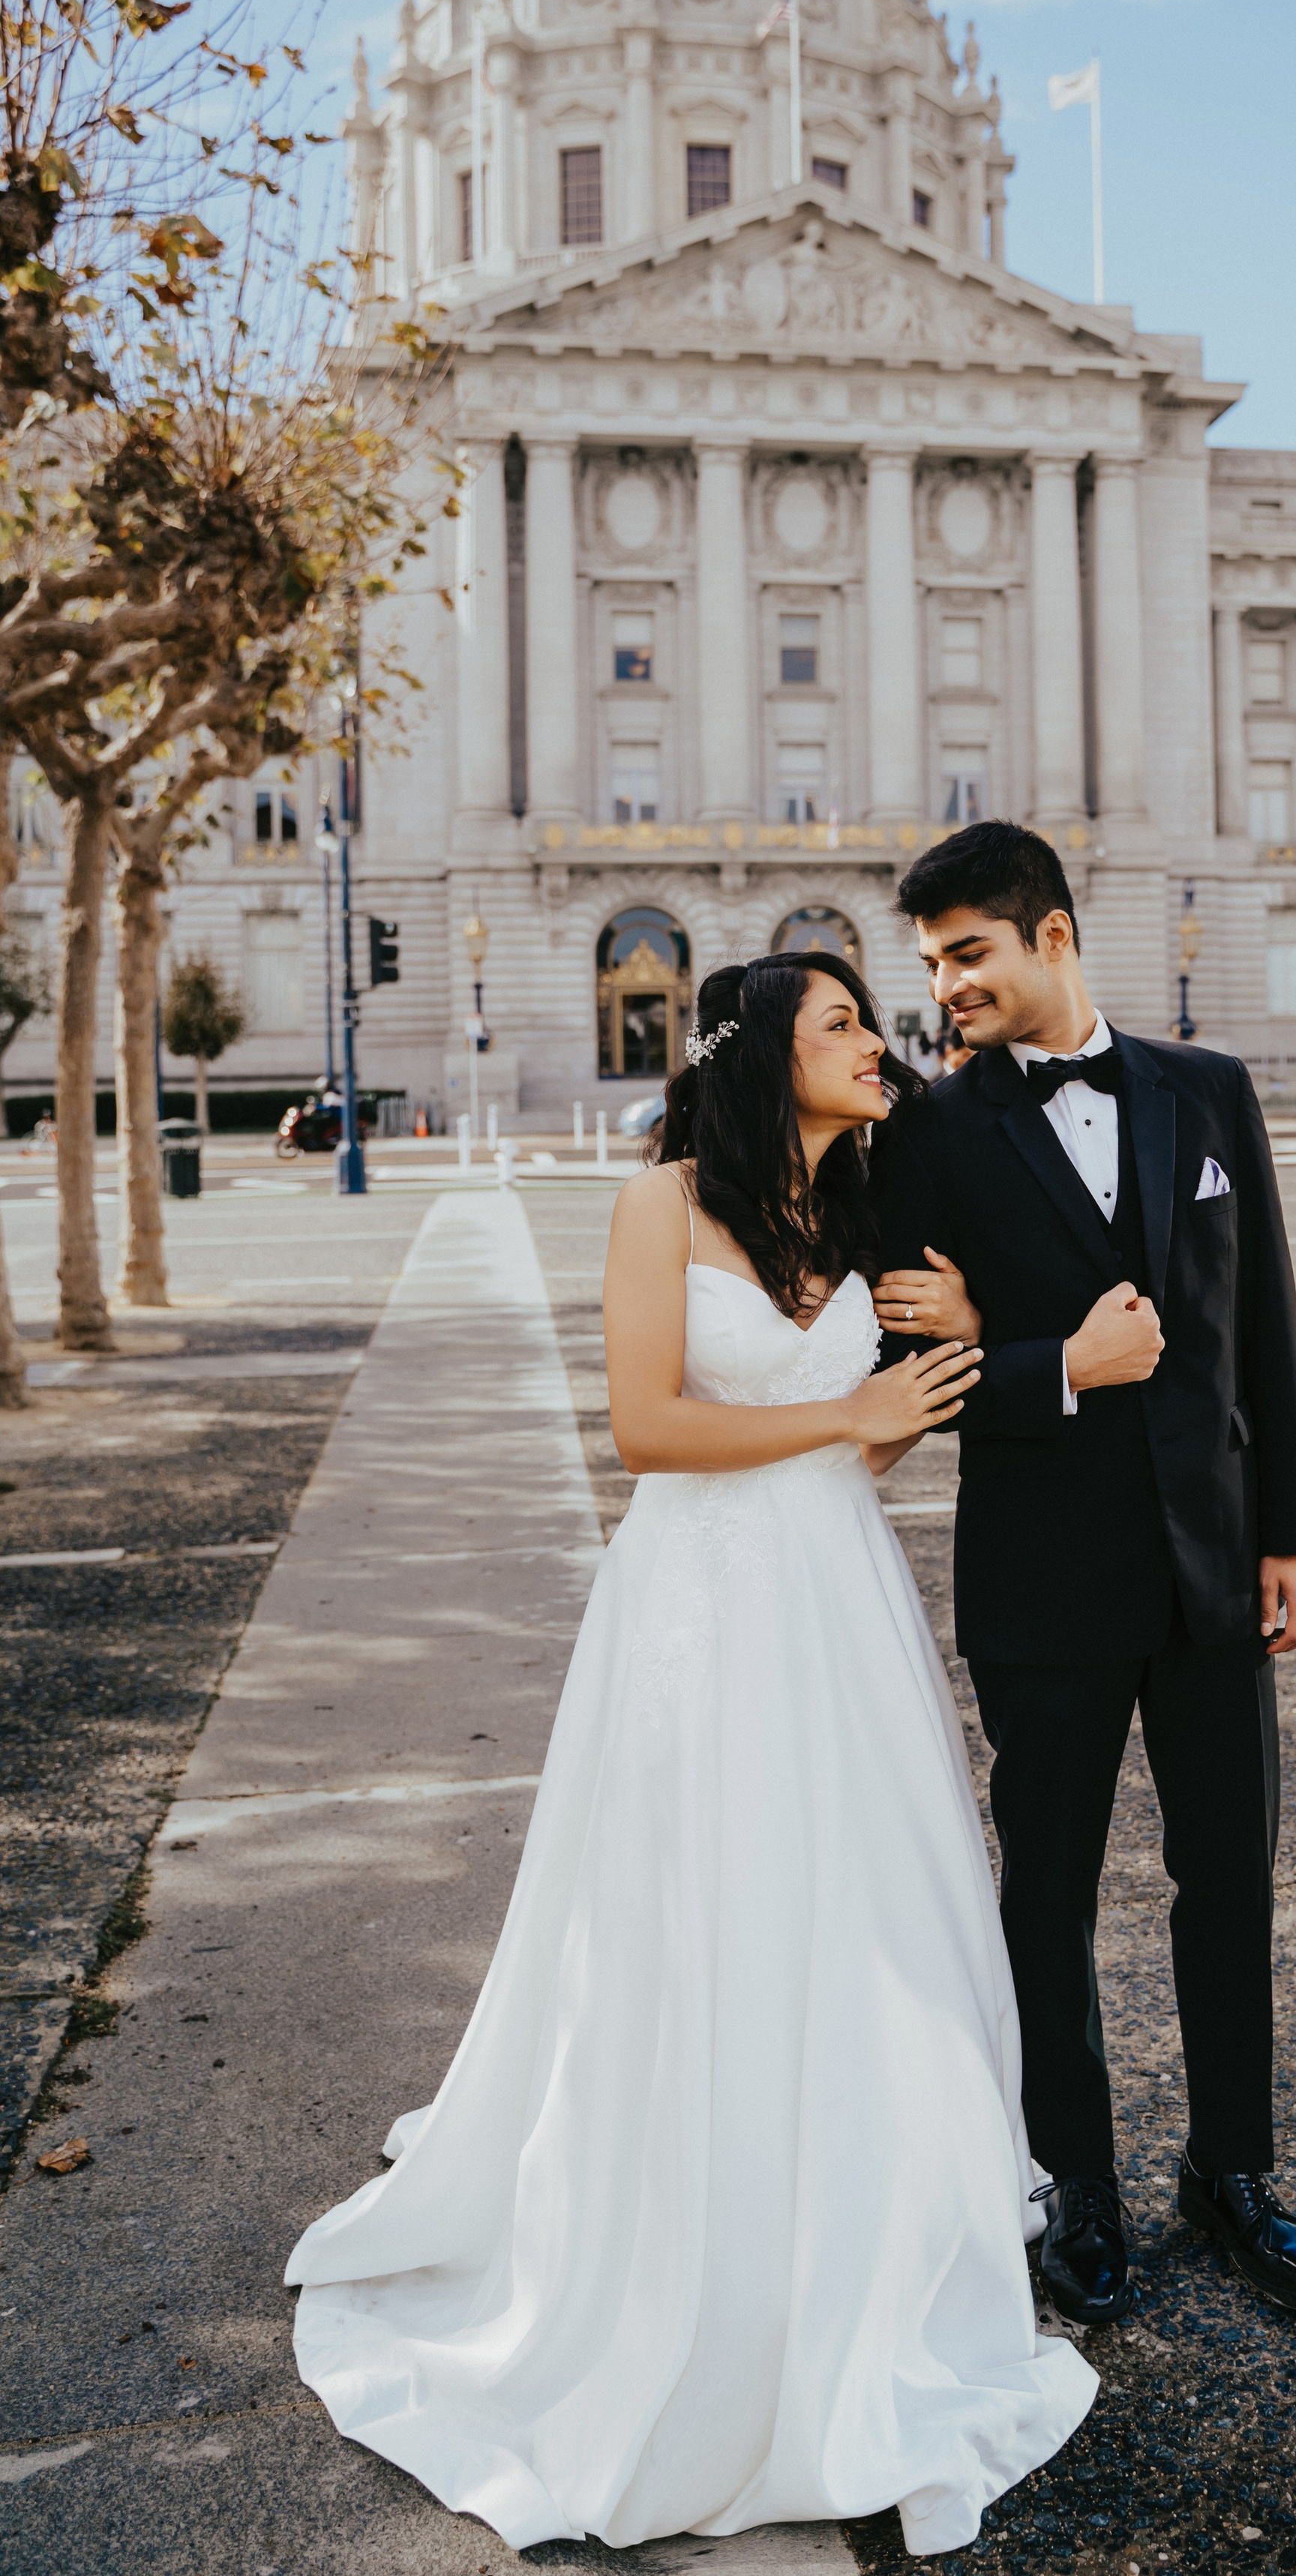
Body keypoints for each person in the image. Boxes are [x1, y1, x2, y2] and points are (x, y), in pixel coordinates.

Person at [285, 951, 1096, 2557]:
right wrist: (848, 1418)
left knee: (862, 1911)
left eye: (874, 1018)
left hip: (838, 1600)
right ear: (757, 1055)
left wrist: (963, 1346)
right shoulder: (661, 1204)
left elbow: (900, 1404)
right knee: (702, 1906)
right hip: (698, 1603)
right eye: (842, 1023)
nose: (876, 1044)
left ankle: (858, 2225)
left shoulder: (863, 1211)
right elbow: (646, 1429)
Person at [871, 822, 1296, 2332]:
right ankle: (1071, 2187)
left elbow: (1257, 1318)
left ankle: (1235, 2172)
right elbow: (906, 1371)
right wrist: (1046, 1366)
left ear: (1051, 936)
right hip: (1042, 1585)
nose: (943, 985)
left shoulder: (1208, 1093)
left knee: (1229, 1884)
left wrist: (1293, 1531)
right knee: (1047, 1900)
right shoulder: (927, 1137)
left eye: (967, 954)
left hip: (1213, 1569)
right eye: (930, 962)